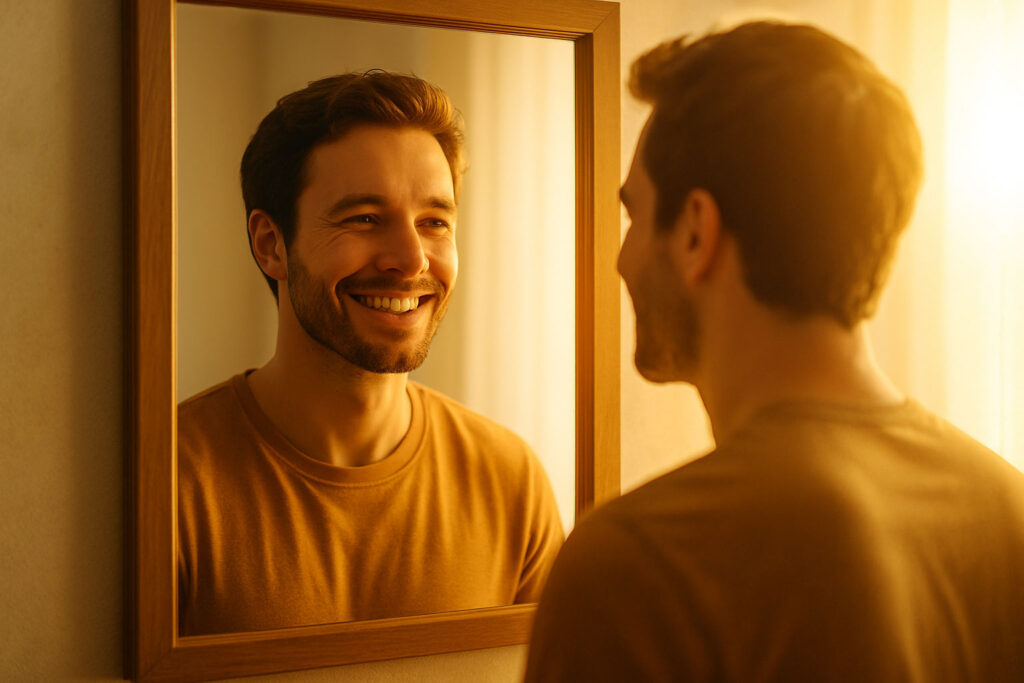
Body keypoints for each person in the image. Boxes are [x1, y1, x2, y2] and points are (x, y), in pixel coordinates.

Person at [525, 21, 1024, 682]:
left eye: (633, 215)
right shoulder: (1006, 508)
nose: (620, 258)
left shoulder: (644, 562)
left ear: (697, 232)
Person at [176, 72, 563, 636]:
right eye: (363, 218)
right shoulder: (170, 482)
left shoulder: (510, 480)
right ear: (270, 245)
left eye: (434, 222)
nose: (411, 260)